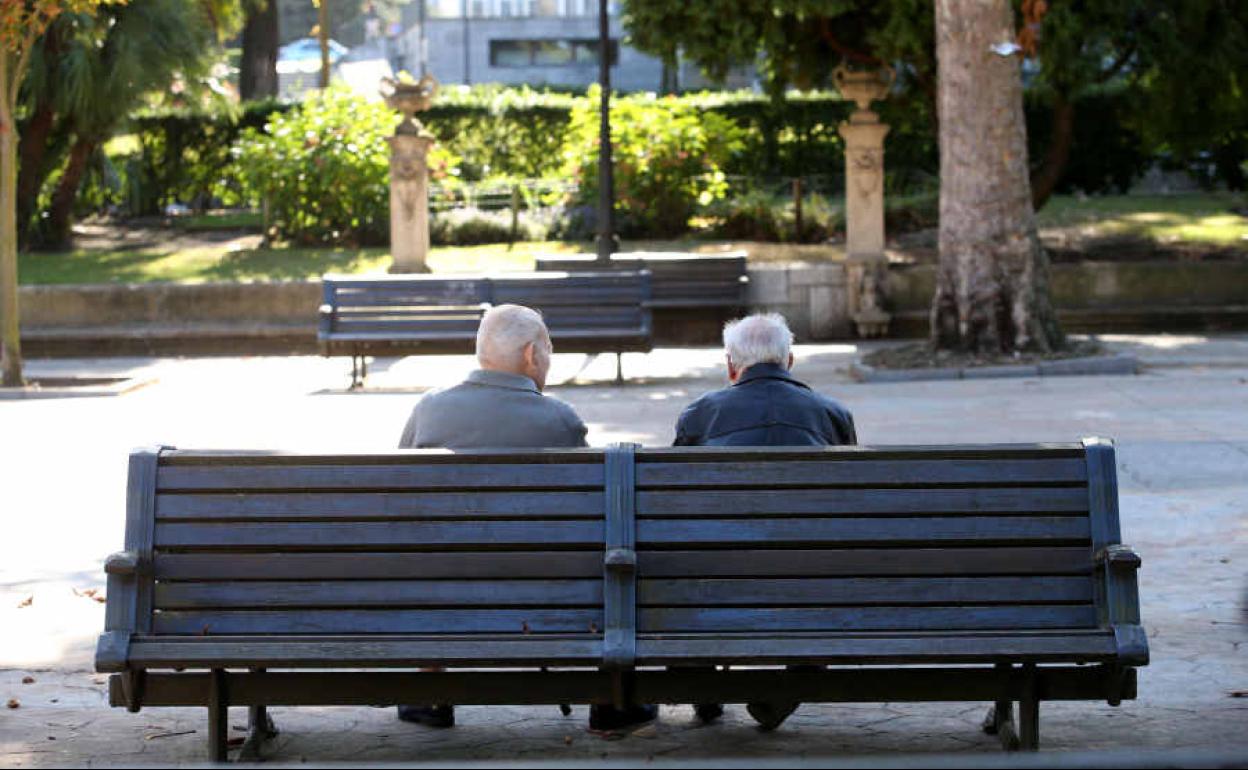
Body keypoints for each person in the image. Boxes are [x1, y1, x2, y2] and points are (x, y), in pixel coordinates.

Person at [395, 303, 656, 732]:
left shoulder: (429, 410)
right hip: (545, 594)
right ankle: (612, 698)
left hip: (441, 595)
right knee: (616, 554)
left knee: (427, 551)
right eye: (550, 349)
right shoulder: (559, 420)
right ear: (532, 356)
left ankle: (429, 692)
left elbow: (403, 507)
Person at [672, 312, 856, 729]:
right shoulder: (833, 416)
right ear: (789, 362)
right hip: (812, 586)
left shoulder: (699, 415)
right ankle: (780, 695)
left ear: (731, 365)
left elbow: (677, 508)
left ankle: (705, 688)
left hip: (719, 580)